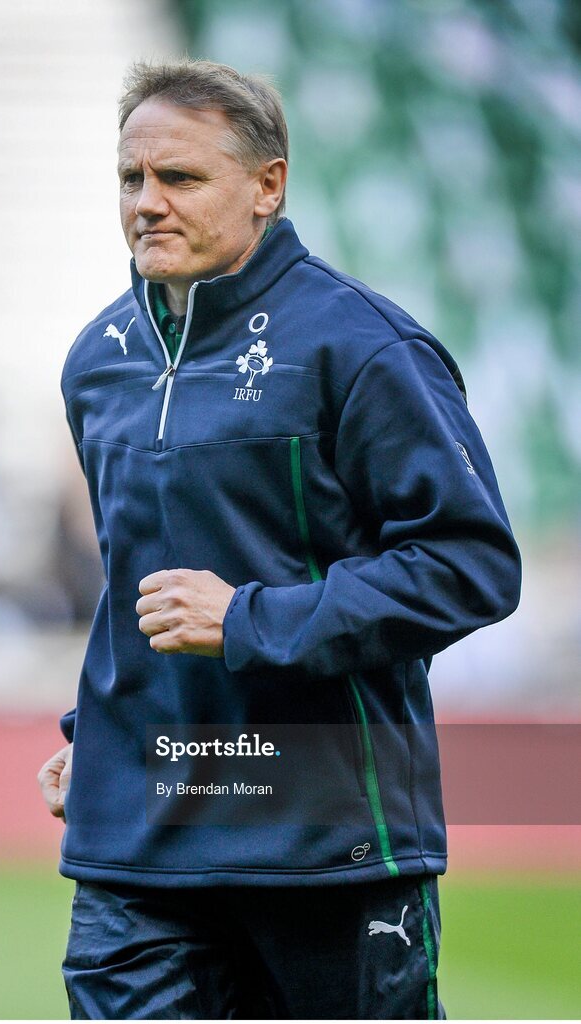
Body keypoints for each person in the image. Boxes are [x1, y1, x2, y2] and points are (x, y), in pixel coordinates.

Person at [38, 58, 521, 1019]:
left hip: (323, 841)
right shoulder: (98, 360)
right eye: (131, 179)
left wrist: (251, 620)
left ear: (268, 186)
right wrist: (98, 732)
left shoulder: (363, 347)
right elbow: (135, 587)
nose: (146, 203)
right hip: (142, 836)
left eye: (180, 179)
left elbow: (472, 566)